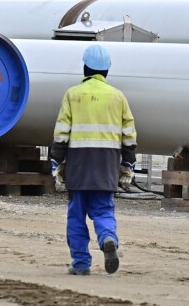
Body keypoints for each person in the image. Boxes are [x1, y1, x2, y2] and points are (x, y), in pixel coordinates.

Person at [50, 44, 137, 275]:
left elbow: (61, 133)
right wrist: (127, 164)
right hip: (107, 165)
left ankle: (81, 264)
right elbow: (129, 135)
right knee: (103, 210)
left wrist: (56, 162)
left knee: (76, 215)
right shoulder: (118, 97)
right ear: (107, 70)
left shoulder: (73, 95)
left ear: (85, 68)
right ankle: (108, 238)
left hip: (78, 164)